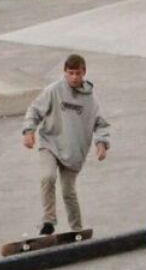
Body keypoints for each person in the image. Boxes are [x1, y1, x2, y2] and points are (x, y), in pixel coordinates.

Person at [22, 54, 110, 235]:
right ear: (65, 72)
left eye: (78, 73)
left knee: (68, 192)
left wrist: (101, 143)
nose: (74, 77)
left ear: (84, 72)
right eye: (71, 73)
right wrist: (29, 130)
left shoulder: (90, 100)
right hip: (51, 143)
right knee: (48, 177)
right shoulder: (54, 91)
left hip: (74, 151)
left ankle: (77, 230)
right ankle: (48, 221)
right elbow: (34, 110)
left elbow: (101, 124)